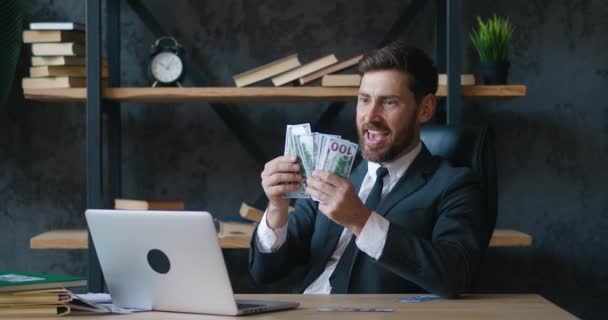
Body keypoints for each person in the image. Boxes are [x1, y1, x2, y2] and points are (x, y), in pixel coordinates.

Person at [249, 41, 488, 298]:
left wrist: (361, 220)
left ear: (426, 108)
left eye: (389, 102)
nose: (370, 116)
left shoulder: (455, 185)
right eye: (364, 100)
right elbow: (265, 272)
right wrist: (277, 207)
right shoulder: (334, 170)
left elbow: (455, 275)